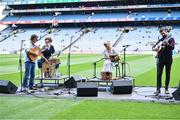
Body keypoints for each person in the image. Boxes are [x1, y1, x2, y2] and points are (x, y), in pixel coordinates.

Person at [152, 28, 175, 95]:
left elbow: (172, 47)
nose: (162, 34)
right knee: (159, 74)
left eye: (163, 33)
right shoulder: (160, 40)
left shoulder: (171, 39)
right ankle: (158, 89)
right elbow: (153, 47)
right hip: (160, 58)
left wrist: (167, 43)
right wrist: (155, 48)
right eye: (161, 33)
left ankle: (166, 89)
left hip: (168, 58)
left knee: (168, 74)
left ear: (166, 31)